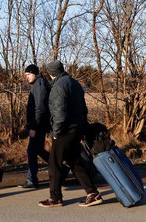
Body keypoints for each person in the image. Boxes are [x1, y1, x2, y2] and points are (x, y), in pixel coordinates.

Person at [38, 60, 103, 208]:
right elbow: (83, 108)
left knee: (54, 163)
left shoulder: (58, 86)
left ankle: (55, 198)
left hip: (65, 131)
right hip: (77, 128)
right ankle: (93, 193)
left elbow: (59, 113)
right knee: (74, 161)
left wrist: (56, 132)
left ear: (51, 73)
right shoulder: (74, 83)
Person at [18, 64, 51, 189]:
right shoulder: (37, 84)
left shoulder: (40, 85)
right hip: (38, 124)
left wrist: (34, 127)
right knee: (37, 150)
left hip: (39, 125)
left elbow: (40, 108)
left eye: (28, 75)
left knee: (32, 151)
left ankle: (32, 180)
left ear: (34, 73)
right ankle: (60, 168)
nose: (26, 77)